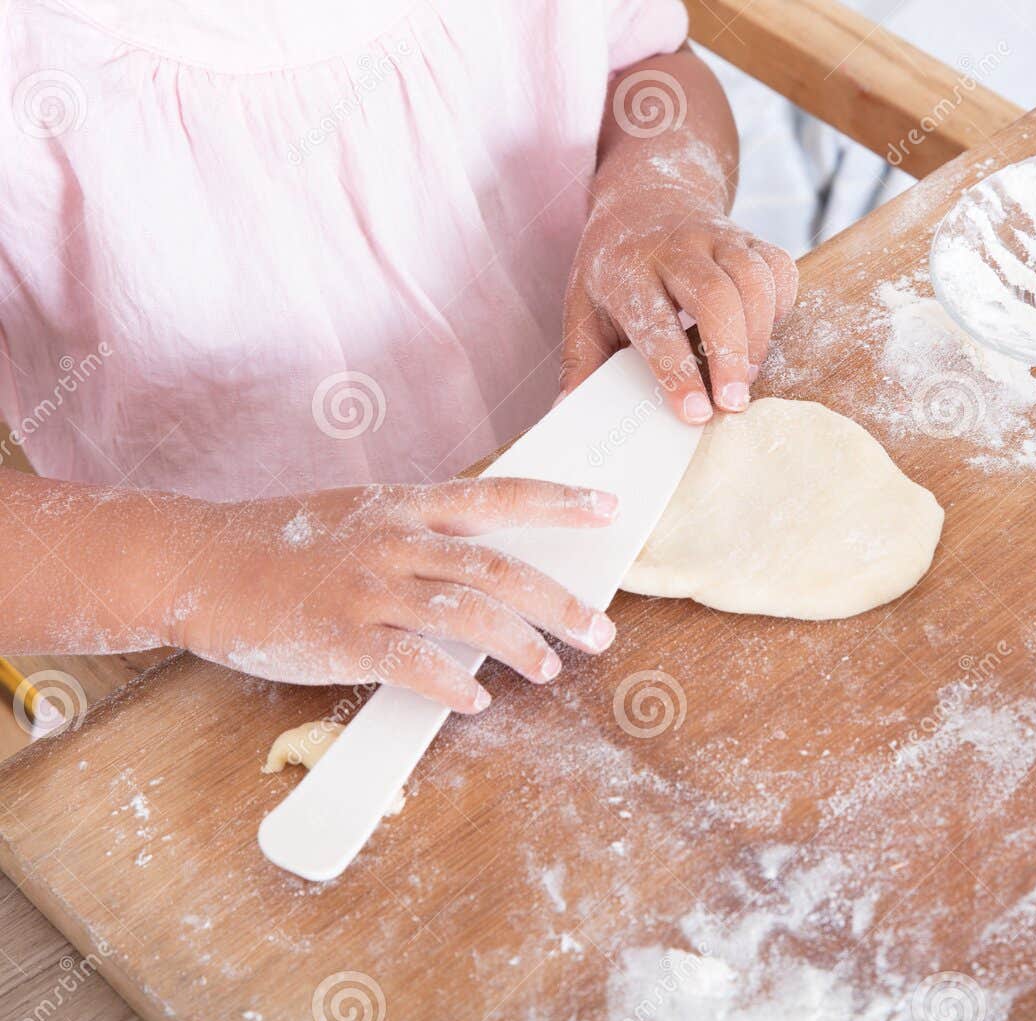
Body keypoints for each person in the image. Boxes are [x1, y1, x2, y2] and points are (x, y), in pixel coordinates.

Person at [0, 0, 795, 714]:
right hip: (231, 676)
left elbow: (650, 69)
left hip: (599, 521)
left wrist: (653, 195)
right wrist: (203, 573)